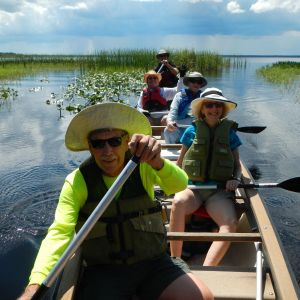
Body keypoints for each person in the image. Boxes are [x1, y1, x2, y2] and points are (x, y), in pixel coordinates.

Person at [19, 103, 213, 300]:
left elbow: (179, 184)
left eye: (114, 141)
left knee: (201, 297)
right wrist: (34, 286)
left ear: (126, 141)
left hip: (153, 263)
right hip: (105, 271)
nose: (107, 151)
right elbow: (60, 232)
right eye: (98, 144)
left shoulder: (143, 166)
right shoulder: (77, 182)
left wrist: (158, 161)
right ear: (89, 146)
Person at [169, 87, 242, 266]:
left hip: (218, 192)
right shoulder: (191, 132)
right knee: (177, 203)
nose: (214, 109)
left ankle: (208, 268)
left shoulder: (230, 133)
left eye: (218, 105)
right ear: (202, 109)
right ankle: (176, 261)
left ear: (222, 109)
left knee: (230, 224)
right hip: (194, 189)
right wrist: (175, 184)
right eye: (209, 105)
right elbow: (180, 163)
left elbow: (237, 166)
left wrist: (236, 179)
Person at [164, 71, 207, 144]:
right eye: (193, 81)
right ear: (188, 83)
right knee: (167, 131)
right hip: (180, 127)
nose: (196, 84)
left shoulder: (203, 97)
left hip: (196, 127)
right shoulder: (179, 95)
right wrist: (169, 122)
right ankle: (172, 150)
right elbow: (173, 111)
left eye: (199, 82)